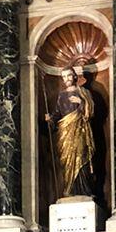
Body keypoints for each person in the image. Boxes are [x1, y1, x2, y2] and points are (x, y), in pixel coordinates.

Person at [47, 64, 96, 197]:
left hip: (80, 131)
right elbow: (58, 113)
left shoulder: (83, 92)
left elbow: (91, 111)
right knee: (67, 161)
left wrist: (81, 102)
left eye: (68, 75)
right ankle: (70, 189)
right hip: (65, 132)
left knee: (81, 156)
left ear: (74, 76)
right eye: (64, 77)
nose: (66, 79)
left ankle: (85, 191)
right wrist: (50, 118)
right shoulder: (61, 95)